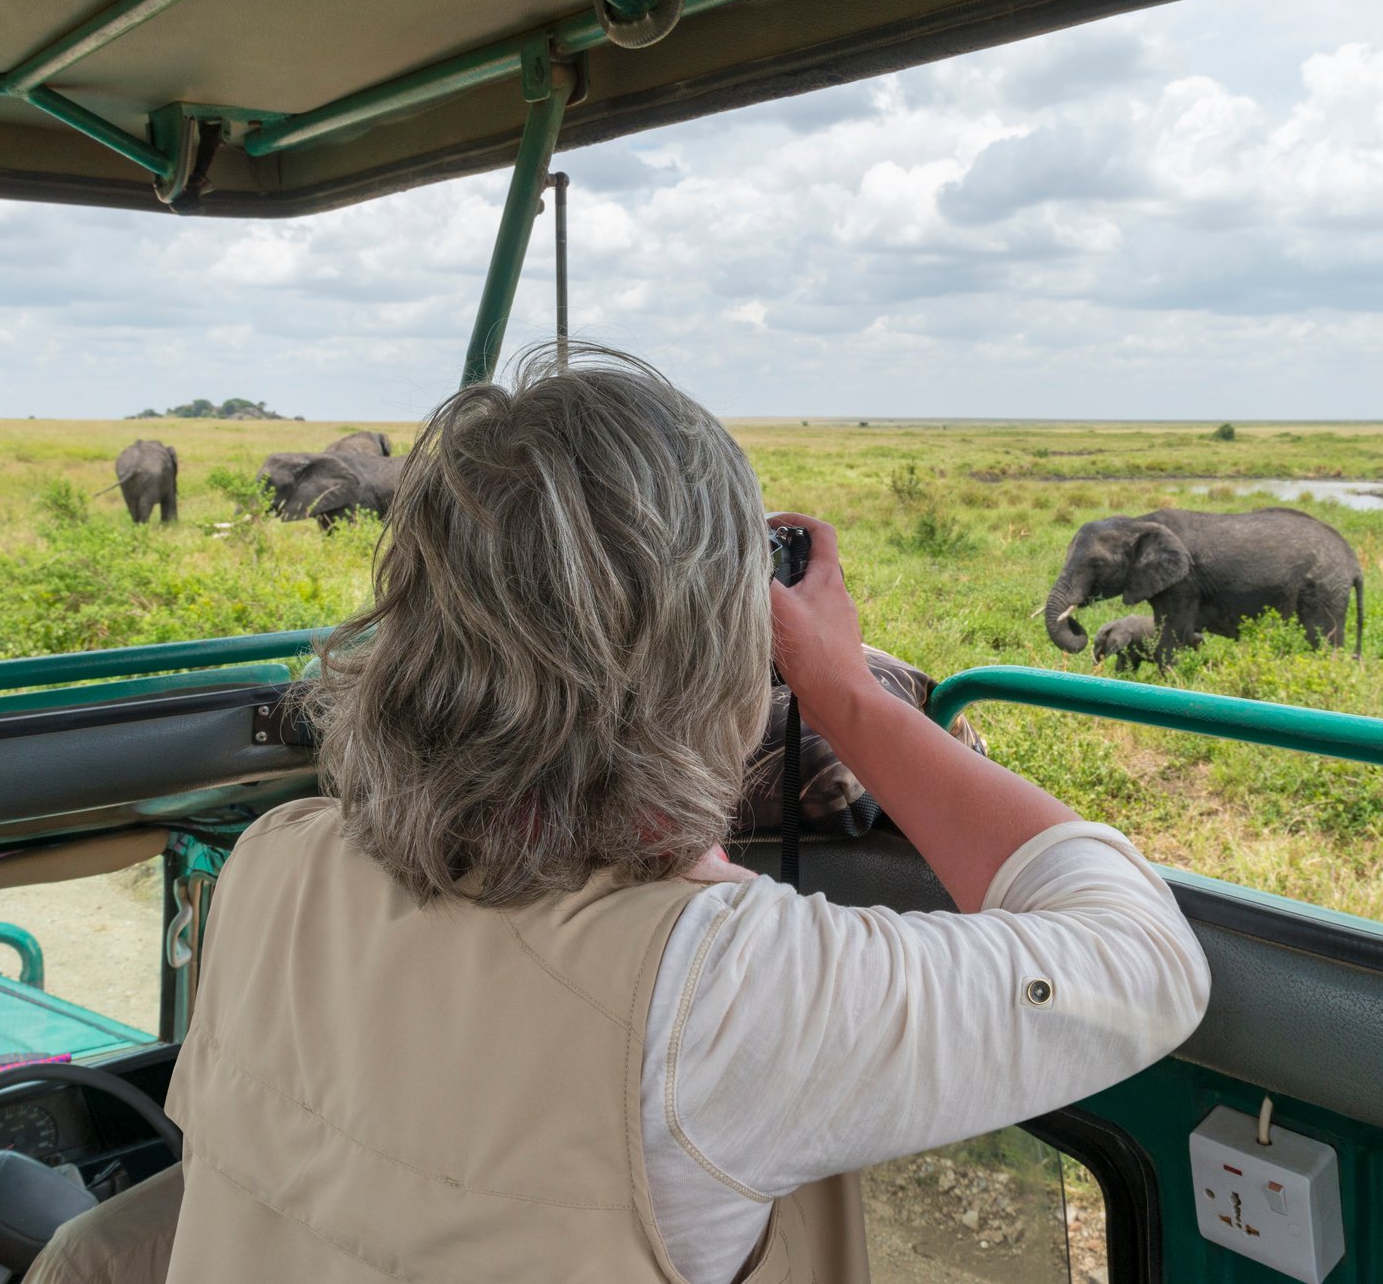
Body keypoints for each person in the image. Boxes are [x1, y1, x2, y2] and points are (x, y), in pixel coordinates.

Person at [96, 347, 1210, 1283]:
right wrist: (848, 695)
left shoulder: (272, 868)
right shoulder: (717, 997)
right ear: (719, 647)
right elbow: (1145, 954)